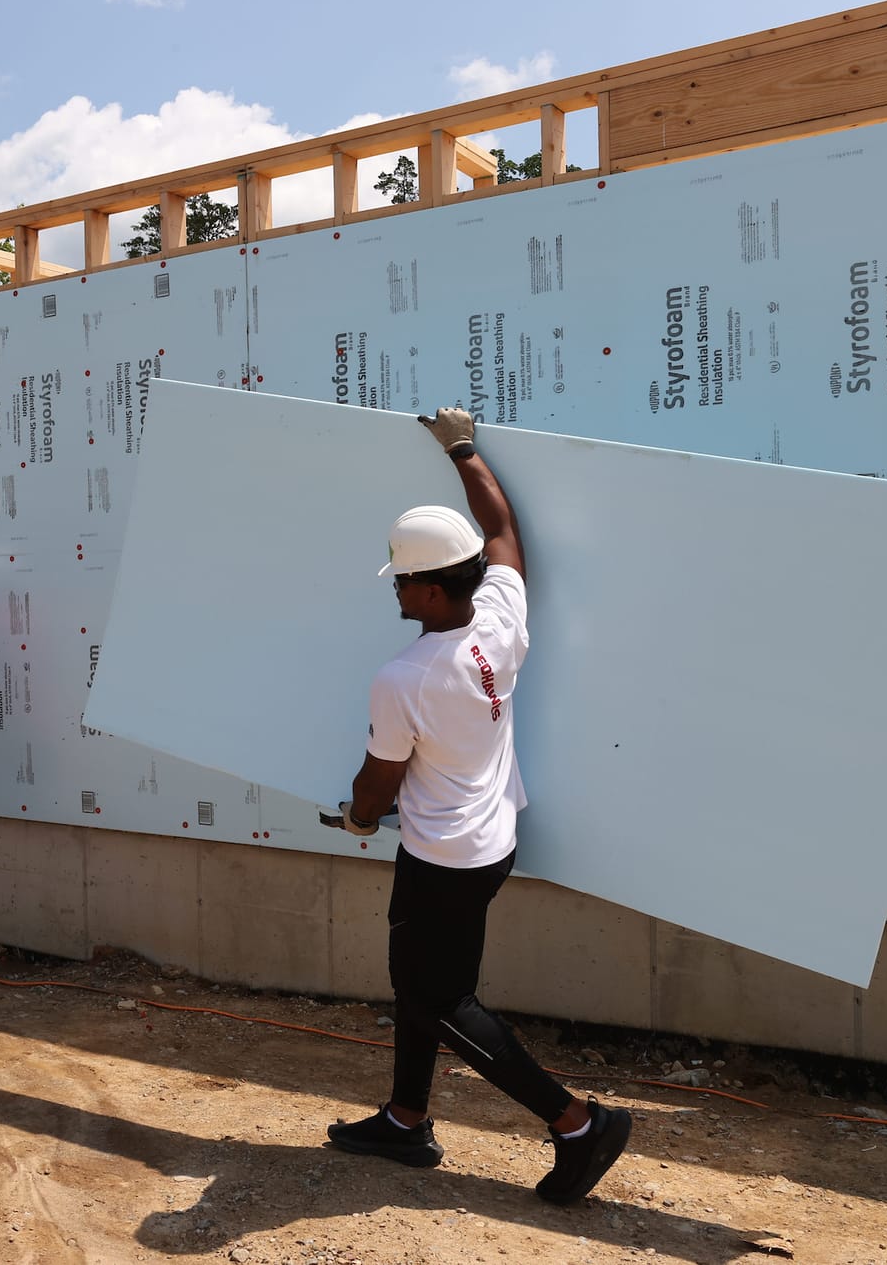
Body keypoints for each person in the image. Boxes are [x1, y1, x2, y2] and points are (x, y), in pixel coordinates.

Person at [322, 406, 632, 1205]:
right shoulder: (499, 618)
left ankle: (576, 1124)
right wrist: (462, 448)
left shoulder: (404, 678)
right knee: (417, 979)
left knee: (439, 998)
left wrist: (358, 818)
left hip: (444, 858)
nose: (394, 588)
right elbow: (501, 531)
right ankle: (406, 1117)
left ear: (428, 586)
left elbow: (376, 785)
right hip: (488, 842)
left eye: (401, 579)